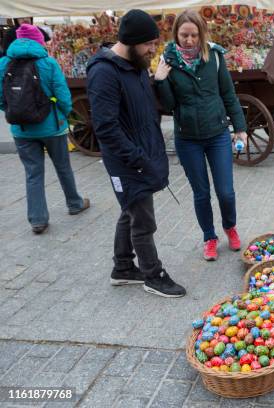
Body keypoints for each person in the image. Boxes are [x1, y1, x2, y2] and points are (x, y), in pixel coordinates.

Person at [87, 9, 186, 298]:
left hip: (142, 154)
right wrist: (138, 159)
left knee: (130, 208)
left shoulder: (137, 64)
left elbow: (141, 107)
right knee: (143, 219)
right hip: (127, 160)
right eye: (149, 44)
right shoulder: (104, 72)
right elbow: (105, 128)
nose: (152, 49)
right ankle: (153, 275)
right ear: (131, 41)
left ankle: (122, 267)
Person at [154, 9, 247, 262]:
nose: (189, 40)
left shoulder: (214, 57)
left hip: (217, 134)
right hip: (187, 139)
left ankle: (230, 227)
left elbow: (228, 94)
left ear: (202, 34)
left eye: (194, 35)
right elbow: (170, 106)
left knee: (226, 191)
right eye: (184, 35)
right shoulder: (168, 61)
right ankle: (209, 237)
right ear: (176, 34)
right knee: (201, 192)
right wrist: (161, 81)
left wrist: (240, 127)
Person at [0, 24, 89, 234]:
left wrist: (12, 110)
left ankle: (38, 220)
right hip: (52, 127)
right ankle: (74, 203)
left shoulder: (3, 64)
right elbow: (64, 97)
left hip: (21, 129)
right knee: (63, 167)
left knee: (33, 173)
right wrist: (62, 114)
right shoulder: (49, 63)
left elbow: (1, 100)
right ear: (39, 41)